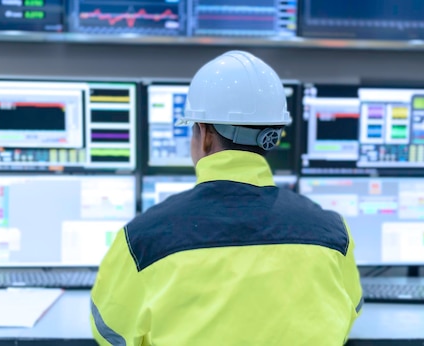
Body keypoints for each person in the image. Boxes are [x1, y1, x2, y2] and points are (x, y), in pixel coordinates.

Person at [90, 50, 363, 345]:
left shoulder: (141, 241)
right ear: (272, 136)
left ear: (204, 134)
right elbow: (348, 312)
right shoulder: (333, 234)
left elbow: (110, 331)